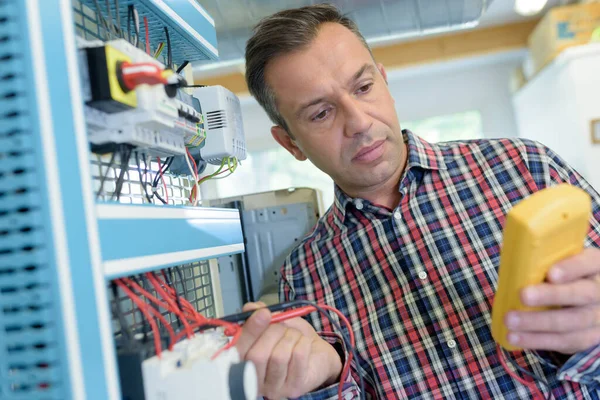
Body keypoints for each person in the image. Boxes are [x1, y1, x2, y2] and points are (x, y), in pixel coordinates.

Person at [235, 4, 600, 399]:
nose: (359, 122)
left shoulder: (525, 168)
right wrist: (326, 380)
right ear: (290, 143)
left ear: (385, 83)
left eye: (363, 88)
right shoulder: (303, 273)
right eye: (322, 113)